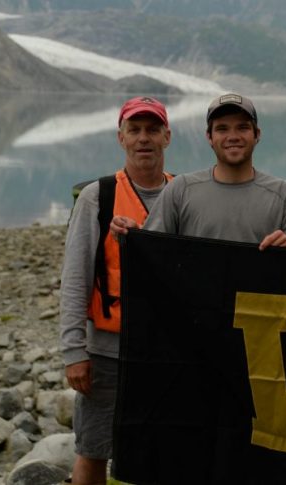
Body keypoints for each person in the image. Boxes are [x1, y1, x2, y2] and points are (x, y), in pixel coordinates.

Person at [60, 96, 173, 485]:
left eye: (152, 129)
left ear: (167, 136)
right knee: (92, 450)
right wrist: (74, 351)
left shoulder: (184, 194)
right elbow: (74, 278)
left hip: (165, 352)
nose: (144, 139)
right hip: (107, 351)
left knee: (160, 450)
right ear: (120, 137)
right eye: (135, 130)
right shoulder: (98, 196)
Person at [112, 92, 286, 249]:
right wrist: (134, 235)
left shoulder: (285, 195)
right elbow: (152, 251)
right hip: (194, 300)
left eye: (242, 127)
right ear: (209, 137)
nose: (233, 136)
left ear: (257, 134)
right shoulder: (181, 190)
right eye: (222, 129)